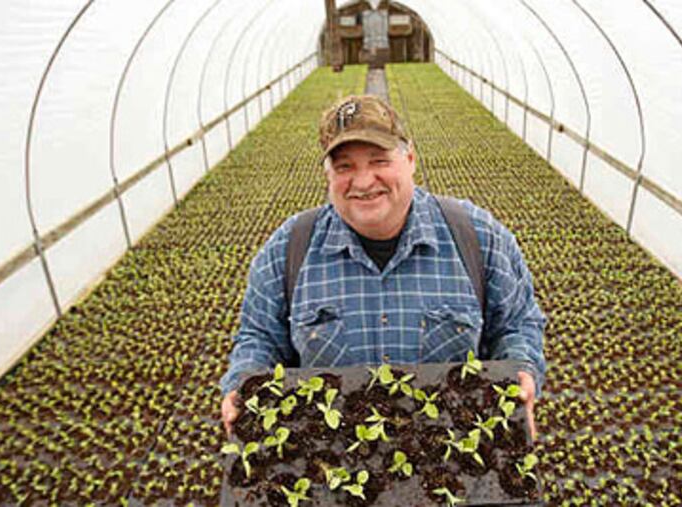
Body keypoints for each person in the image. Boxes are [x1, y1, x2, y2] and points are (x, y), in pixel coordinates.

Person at [221, 94, 546, 439]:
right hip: (332, 460)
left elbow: (516, 324)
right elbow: (259, 338)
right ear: (327, 174)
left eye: (379, 160)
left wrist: (520, 368)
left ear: (410, 158)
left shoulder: (478, 237)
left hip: (453, 451)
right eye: (345, 167)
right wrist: (245, 381)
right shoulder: (288, 249)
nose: (363, 182)